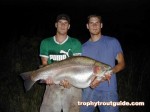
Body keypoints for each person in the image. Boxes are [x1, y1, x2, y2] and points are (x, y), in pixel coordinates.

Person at [80, 14, 125, 112]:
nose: (94, 25)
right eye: (91, 23)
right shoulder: (83, 48)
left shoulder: (112, 42)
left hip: (109, 90)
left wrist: (107, 74)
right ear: (87, 26)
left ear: (101, 25)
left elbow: (121, 64)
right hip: (89, 89)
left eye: (97, 23)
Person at [39, 14, 82, 112]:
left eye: (65, 23)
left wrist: (71, 81)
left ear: (69, 26)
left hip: (72, 84)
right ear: (56, 25)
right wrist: (47, 78)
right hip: (53, 82)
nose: (63, 25)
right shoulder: (46, 43)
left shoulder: (75, 43)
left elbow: (77, 67)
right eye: (60, 23)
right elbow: (44, 64)